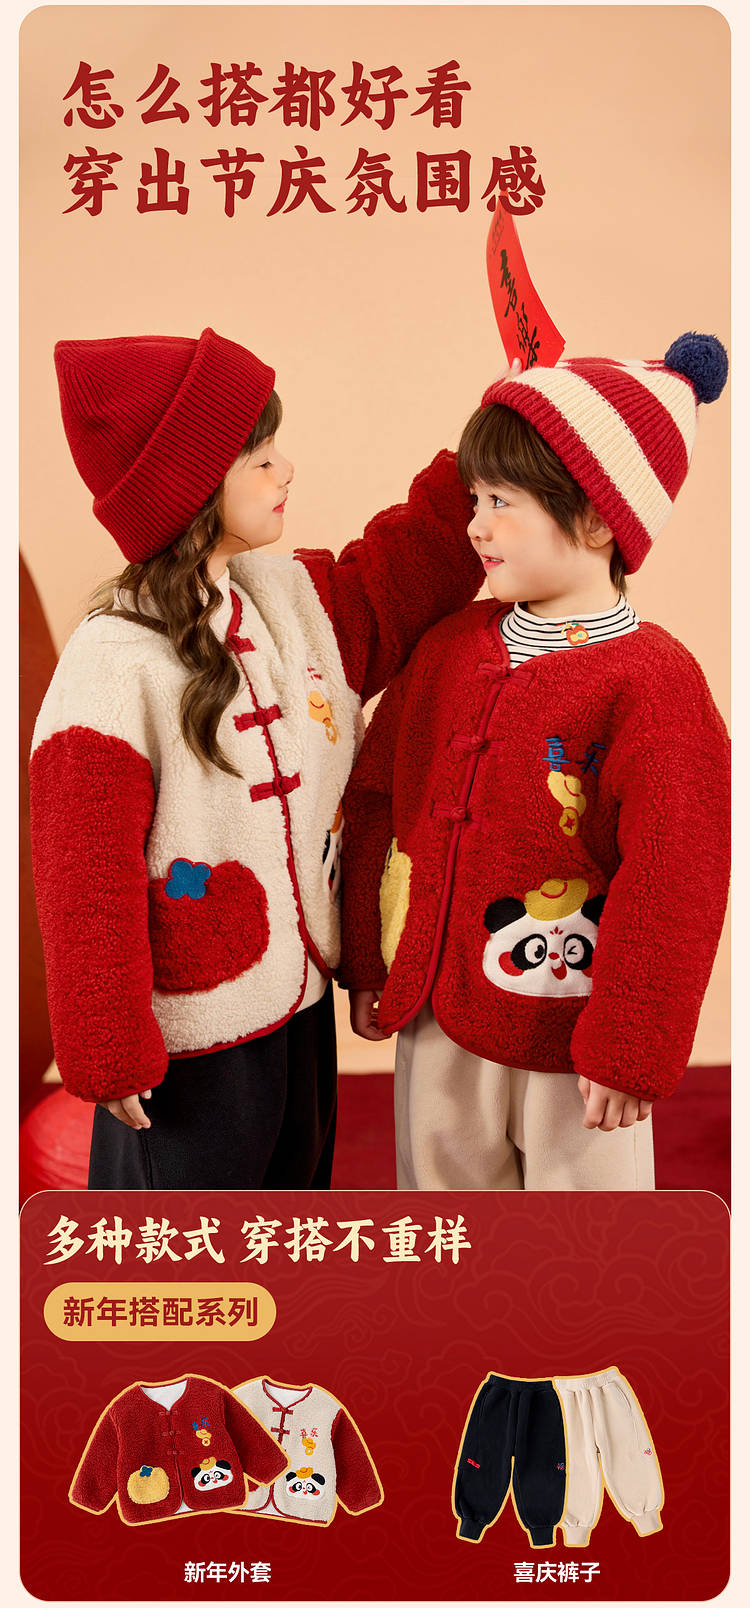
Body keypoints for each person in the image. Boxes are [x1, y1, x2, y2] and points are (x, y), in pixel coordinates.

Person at [29, 325, 491, 1189]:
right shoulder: (112, 660)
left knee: (292, 1223)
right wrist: (107, 1045)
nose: (286, 470)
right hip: (185, 1046)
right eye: (260, 455)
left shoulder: (286, 601)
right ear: (190, 485)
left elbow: (408, 571)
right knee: (191, 1252)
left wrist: (490, 441)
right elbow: (82, 868)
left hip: (297, 1003)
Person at [340, 333, 730, 1191]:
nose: (475, 525)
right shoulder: (448, 649)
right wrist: (368, 957)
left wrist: (631, 1045)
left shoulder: (655, 682)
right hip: (435, 1010)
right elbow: (376, 797)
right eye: (475, 497)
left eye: (502, 501)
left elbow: (677, 875)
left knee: (587, 1245)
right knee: (444, 1226)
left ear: (596, 520)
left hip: (576, 1037)